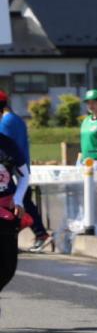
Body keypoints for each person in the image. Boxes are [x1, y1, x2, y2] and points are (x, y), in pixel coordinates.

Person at [0, 91, 51, 253]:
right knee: (25, 203)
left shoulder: (7, 126)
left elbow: (9, 155)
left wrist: (17, 197)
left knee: (22, 204)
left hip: (11, 177)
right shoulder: (18, 120)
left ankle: (40, 234)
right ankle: (39, 234)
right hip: (17, 171)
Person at [0, 130, 31, 312]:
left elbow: (24, 175)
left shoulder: (8, 144)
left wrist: (19, 199)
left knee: (8, 266)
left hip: (6, 209)